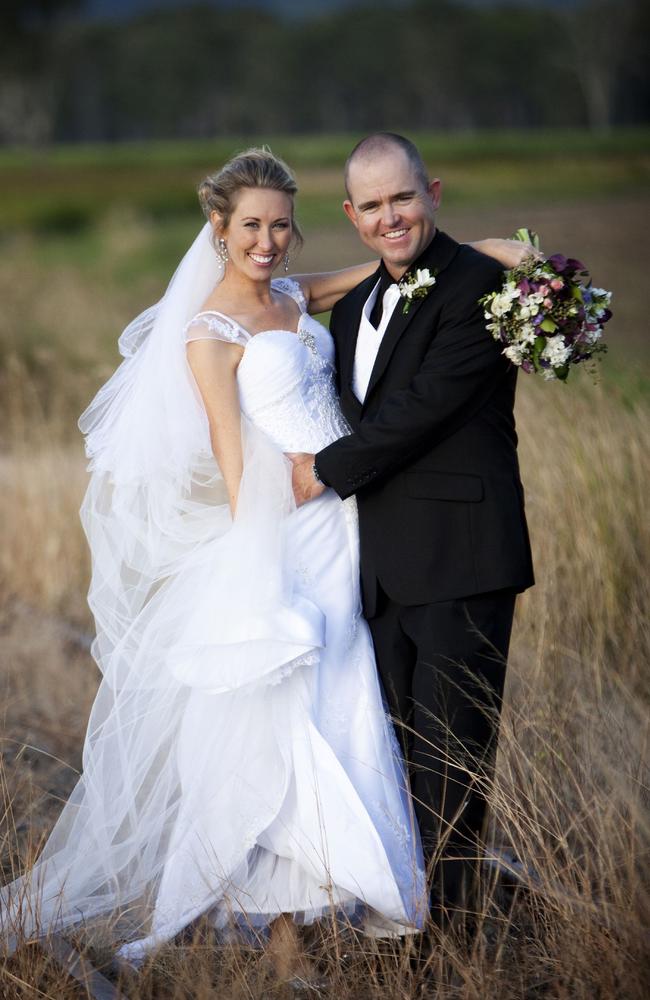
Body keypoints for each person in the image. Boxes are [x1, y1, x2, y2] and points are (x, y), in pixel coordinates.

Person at [1, 147, 532, 976]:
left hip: (359, 526)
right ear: (219, 227)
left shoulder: (293, 294)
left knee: (353, 715)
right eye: (251, 224)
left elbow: (380, 270)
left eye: (282, 224)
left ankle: (374, 906)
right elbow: (232, 458)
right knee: (289, 724)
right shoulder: (208, 333)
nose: (269, 240)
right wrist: (269, 554)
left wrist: (487, 252)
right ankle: (286, 937)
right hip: (293, 529)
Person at [290, 133, 535, 930]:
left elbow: (420, 409)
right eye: (373, 206)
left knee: (454, 766)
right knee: (394, 765)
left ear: (433, 191)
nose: (390, 217)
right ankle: (407, 928)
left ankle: (455, 947)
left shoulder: (480, 285)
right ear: (351, 216)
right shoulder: (359, 303)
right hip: (379, 573)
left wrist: (324, 469)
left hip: (463, 561)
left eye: (403, 197)